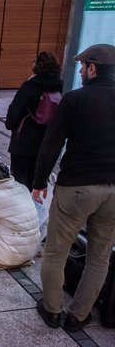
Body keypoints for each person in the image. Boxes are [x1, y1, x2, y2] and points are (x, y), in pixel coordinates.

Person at [33, 44, 115, 332]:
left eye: (82, 67)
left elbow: (52, 143)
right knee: (99, 255)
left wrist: (39, 182)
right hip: (113, 190)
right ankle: (79, 316)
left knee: (56, 251)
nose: (80, 71)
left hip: (77, 186)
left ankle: (52, 310)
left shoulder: (76, 99)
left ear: (93, 69)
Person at [5, 51, 63, 191]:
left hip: (24, 139)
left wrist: (10, 124)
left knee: (20, 176)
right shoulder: (59, 86)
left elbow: (15, 109)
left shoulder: (30, 86)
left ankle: (23, 204)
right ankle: (35, 205)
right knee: (35, 176)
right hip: (45, 139)